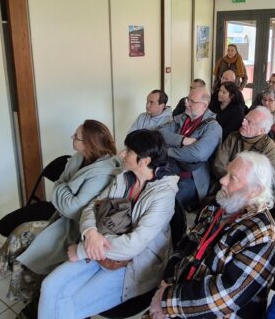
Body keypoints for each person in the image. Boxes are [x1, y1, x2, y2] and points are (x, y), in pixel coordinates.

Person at [0, 120, 122, 306]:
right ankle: (1, 281)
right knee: (22, 234)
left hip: (78, 228)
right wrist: (62, 189)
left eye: (76, 136)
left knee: (23, 233)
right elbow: (62, 192)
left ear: (88, 144)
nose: (72, 137)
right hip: (61, 215)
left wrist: (60, 187)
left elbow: (72, 209)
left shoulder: (102, 172)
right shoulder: (78, 158)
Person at [38, 129, 179, 319]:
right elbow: (92, 207)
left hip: (135, 264)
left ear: (144, 161)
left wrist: (83, 250)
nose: (121, 154)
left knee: (68, 305)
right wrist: (90, 232)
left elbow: (133, 245)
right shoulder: (124, 177)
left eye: (128, 151)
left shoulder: (163, 196)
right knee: (50, 285)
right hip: (102, 247)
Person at [147, 152, 275, 319]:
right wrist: (166, 284)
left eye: (233, 178)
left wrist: (167, 301)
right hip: (181, 297)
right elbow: (184, 246)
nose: (222, 181)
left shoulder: (263, 234)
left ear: (255, 190)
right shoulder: (217, 206)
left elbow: (228, 296)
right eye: (226, 173)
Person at [159, 87, 222, 210]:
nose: (186, 103)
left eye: (191, 101)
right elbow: (160, 133)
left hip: (192, 179)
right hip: (169, 170)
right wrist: (182, 141)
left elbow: (197, 154)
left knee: (168, 203)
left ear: (204, 105)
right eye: (187, 99)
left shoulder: (213, 128)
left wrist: (167, 151)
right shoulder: (183, 118)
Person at [212, 107, 275, 179]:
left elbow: (259, 181)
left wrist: (230, 168)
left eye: (249, 122)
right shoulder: (233, 136)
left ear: (262, 130)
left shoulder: (271, 151)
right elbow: (218, 165)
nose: (243, 123)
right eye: (245, 119)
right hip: (222, 182)